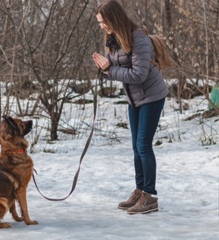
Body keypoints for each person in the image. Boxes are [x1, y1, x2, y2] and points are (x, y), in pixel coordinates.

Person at [92, 0, 168, 215]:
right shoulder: (112, 38)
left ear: (113, 18)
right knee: (136, 146)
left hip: (152, 96)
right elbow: (115, 68)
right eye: (100, 23)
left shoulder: (138, 37)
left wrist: (110, 70)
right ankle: (140, 189)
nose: (102, 26)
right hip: (134, 98)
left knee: (143, 145)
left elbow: (138, 74)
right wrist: (104, 69)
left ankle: (150, 196)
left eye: (103, 22)